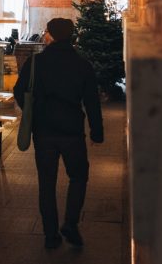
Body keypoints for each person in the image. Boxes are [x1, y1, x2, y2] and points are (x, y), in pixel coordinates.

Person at [14, 17, 103, 250]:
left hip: (43, 132)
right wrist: (97, 132)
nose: (44, 35)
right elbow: (92, 101)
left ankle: (50, 235)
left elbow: (19, 91)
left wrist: (34, 113)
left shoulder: (36, 62)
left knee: (46, 183)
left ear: (51, 35)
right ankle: (71, 223)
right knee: (78, 176)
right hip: (72, 130)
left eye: (46, 32)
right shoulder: (82, 64)